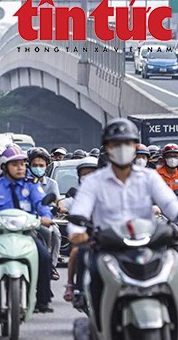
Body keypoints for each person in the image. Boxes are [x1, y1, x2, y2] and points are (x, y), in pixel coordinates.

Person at [68, 118, 178, 314]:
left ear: (135, 147)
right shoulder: (93, 182)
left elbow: (170, 204)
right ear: (107, 148)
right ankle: (98, 326)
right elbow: (79, 212)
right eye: (116, 144)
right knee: (94, 277)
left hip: (148, 246)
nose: (122, 148)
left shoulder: (149, 177)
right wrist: (77, 232)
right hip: (109, 249)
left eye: (127, 143)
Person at [0, 145, 54, 313]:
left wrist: (47, 217)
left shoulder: (32, 186)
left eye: (22, 164)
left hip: (26, 234)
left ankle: (43, 300)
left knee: (45, 258)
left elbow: (41, 204)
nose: (20, 168)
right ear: (4, 167)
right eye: (15, 164)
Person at [62, 157, 98, 302]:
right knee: (78, 251)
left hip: (110, 235)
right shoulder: (80, 196)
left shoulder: (109, 191)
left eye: (92, 173)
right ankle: (74, 286)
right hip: (86, 235)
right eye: (84, 174)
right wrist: (76, 232)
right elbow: (68, 206)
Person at [28, 148, 63, 280]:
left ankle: (51, 265)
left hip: (46, 218)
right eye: (35, 165)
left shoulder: (51, 183)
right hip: (28, 219)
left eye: (41, 165)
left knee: (56, 234)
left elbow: (58, 200)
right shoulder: (25, 182)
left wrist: (61, 206)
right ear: (29, 166)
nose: (38, 168)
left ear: (46, 167)